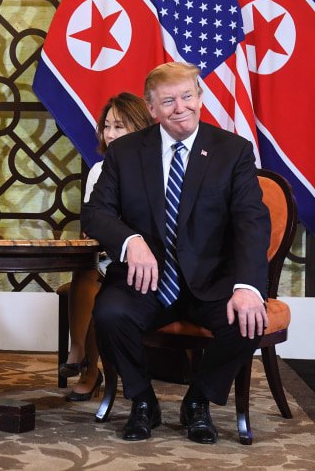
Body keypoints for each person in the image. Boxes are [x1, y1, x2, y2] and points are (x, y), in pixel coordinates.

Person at [81, 62, 270, 444]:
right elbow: (96, 212)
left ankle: (198, 401)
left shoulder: (232, 151)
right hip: (144, 279)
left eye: (187, 96)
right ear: (152, 108)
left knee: (247, 321)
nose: (180, 107)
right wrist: (131, 242)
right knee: (109, 313)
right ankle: (143, 400)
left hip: (212, 279)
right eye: (168, 101)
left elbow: (252, 221)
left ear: (200, 98)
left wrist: (249, 285)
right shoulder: (126, 152)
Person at [62, 93, 153, 402]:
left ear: (139, 127)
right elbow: (95, 225)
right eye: (107, 126)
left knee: (98, 280)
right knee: (86, 271)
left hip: (145, 260)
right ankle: (82, 356)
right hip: (109, 254)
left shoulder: (156, 166)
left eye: (120, 126)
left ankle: (88, 367)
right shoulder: (100, 171)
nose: (110, 134)